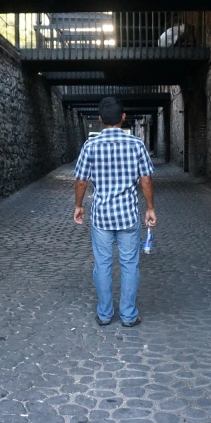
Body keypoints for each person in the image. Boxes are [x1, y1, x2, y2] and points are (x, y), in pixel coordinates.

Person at [73, 96, 156, 327]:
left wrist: (79, 206)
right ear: (123, 117)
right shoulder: (137, 145)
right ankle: (129, 316)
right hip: (128, 215)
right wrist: (150, 208)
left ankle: (105, 314)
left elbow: (81, 181)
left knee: (102, 264)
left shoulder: (90, 146)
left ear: (100, 119)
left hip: (101, 216)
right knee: (130, 265)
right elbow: (146, 180)